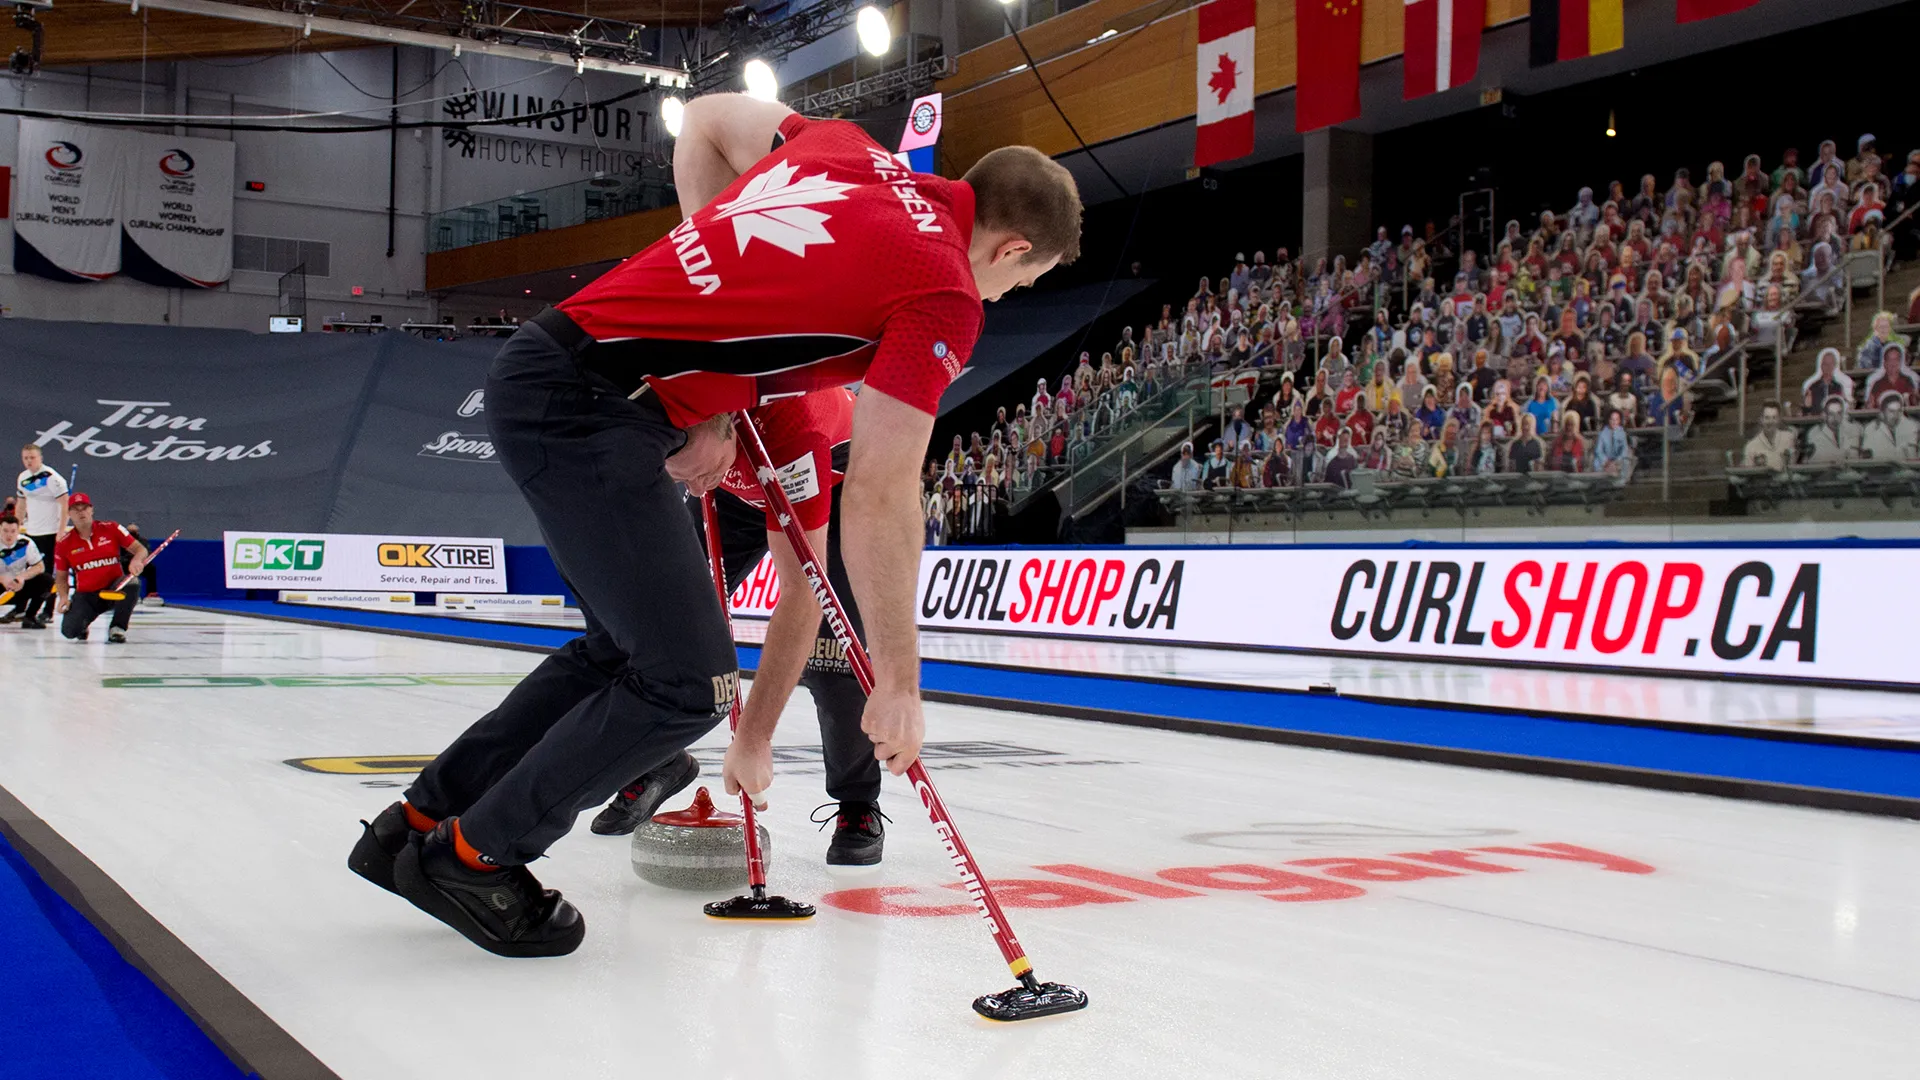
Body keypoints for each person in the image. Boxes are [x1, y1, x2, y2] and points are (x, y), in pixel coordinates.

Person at [350, 93, 1082, 957]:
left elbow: (701, 119)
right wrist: (901, 680)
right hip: (592, 407)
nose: (1003, 295)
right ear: (1013, 247)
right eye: (1020, 282)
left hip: (560, 371)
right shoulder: (946, 292)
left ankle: (416, 823)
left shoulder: (846, 147)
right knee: (689, 683)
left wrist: (717, 313)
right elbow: (881, 494)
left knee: (618, 656)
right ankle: (473, 858)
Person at [584, 390, 886, 865]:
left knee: (832, 655)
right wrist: (704, 475)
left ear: (722, 418)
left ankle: (857, 803)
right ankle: (658, 759)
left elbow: (800, 594)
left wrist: (754, 737)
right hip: (738, 481)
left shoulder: (791, 422)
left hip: (831, 480)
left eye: (696, 473)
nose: (696, 489)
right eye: (683, 478)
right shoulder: (677, 435)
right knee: (656, 613)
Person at [52, 493, 147, 643]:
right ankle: (83, 624)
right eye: (76, 509)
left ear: (91, 510)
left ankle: (117, 627)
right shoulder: (64, 544)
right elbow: (61, 576)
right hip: (88, 595)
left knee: (132, 583)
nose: (81, 512)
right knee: (69, 631)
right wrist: (63, 597)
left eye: (84, 508)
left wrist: (136, 560)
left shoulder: (111, 528)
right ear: (69, 513)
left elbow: (140, 549)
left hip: (114, 589)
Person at [13, 443, 68, 628]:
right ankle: (20, 607)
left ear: (40, 458)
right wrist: (16, 528)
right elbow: (21, 505)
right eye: (26, 458)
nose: (29, 461)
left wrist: (61, 530)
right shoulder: (23, 478)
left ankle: (47, 611)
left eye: (32, 457)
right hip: (31, 532)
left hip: (50, 533)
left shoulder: (52, 478)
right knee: (24, 571)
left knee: (47, 573)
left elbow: (65, 505)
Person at [0, 514, 50, 628]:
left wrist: (21, 577)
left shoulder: (26, 543)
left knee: (46, 580)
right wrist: (3, 578)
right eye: (5, 531)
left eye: (13, 531)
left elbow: (39, 566)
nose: (9, 535)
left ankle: (30, 617)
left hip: (18, 585)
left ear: (18, 530)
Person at [1858, 392, 1920, 462]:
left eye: (1898, 411)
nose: (1895, 415)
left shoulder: (1912, 426)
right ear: (1882, 411)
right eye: (1891, 411)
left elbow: (1912, 456)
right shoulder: (1870, 428)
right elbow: (1868, 457)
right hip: (1879, 471)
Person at [1742, 404, 1794, 470]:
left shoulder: (1788, 437)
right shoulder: (1751, 446)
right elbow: (1748, 473)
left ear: (1778, 420)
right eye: (1767, 418)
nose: (1771, 422)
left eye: (1774, 417)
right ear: (1761, 420)